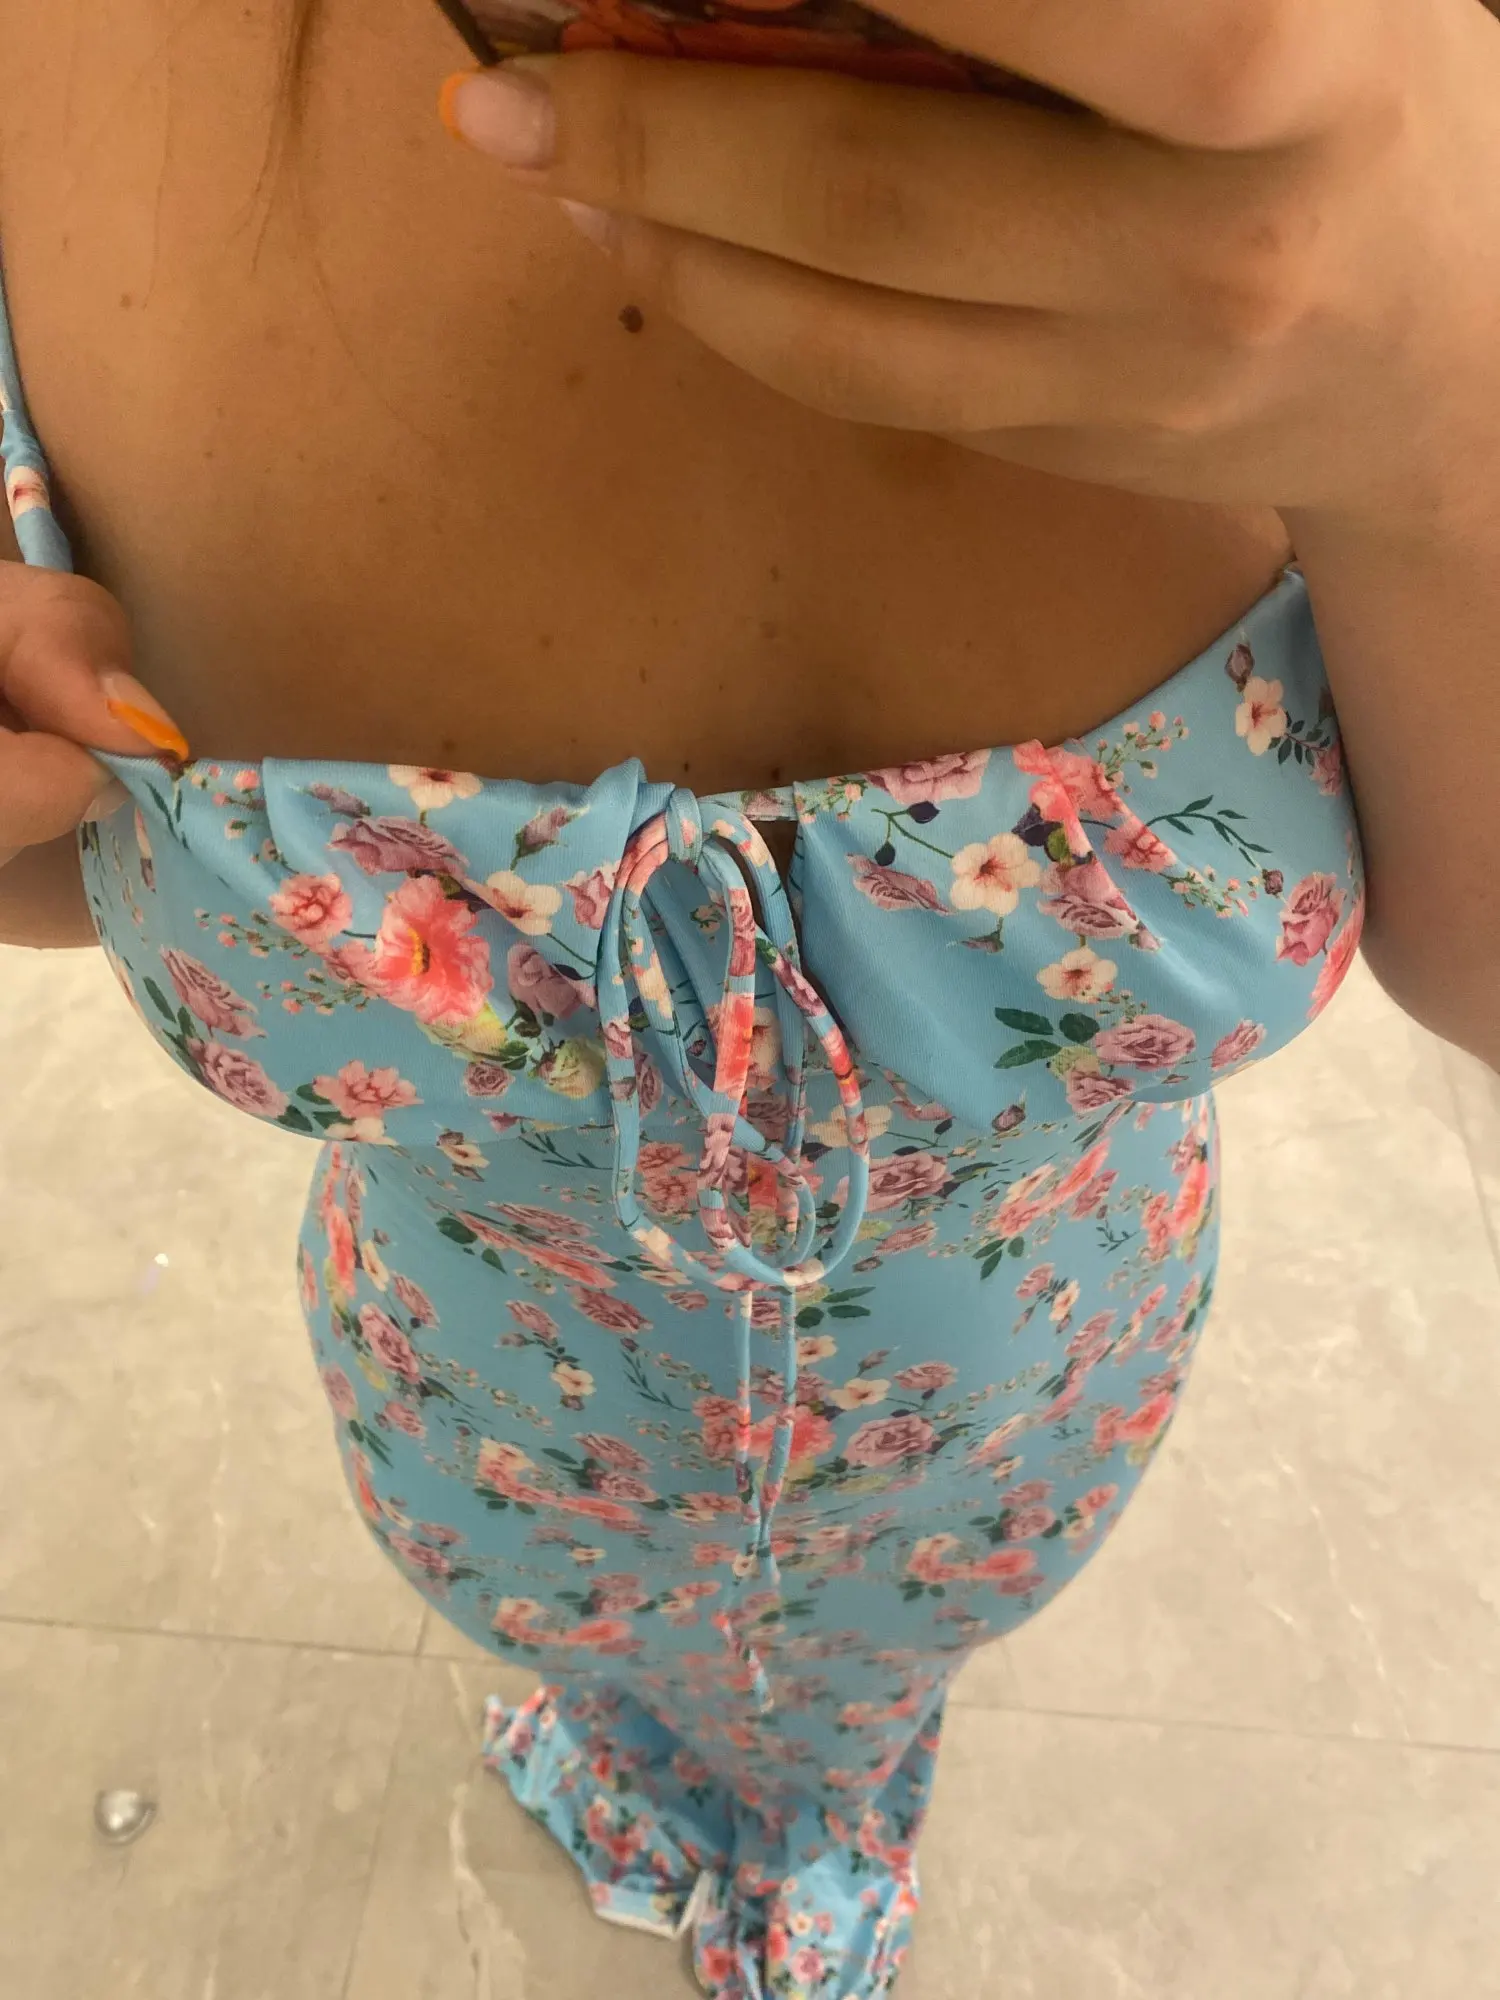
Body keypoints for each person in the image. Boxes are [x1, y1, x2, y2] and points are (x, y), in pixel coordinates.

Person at [2, 1, 1498, 1992]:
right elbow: (74, 858)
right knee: (595, 1668)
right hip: (490, 1426)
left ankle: (830, 1821)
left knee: (867, 1706)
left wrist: (1458, 415)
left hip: (1019, 1417)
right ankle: (642, 1768)